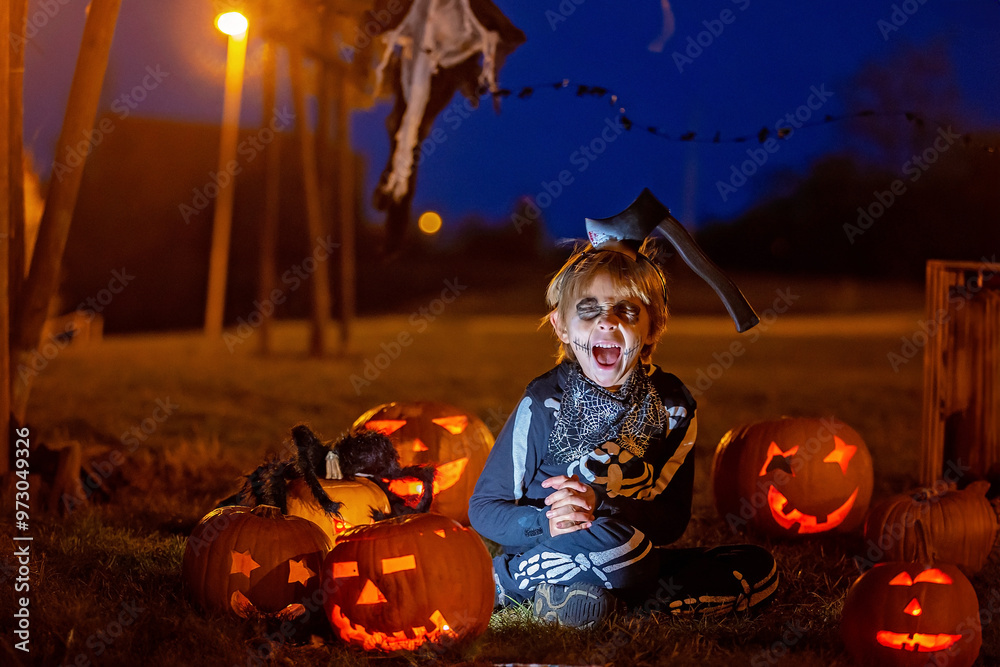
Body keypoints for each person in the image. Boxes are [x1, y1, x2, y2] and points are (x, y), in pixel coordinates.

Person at [468, 237, 778, 628]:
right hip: (549, 540)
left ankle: (582, 599)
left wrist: (599, 501)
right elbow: (483, 508)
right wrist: (548, 522)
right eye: (588, 309)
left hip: (625, 542)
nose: (607, 320)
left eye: (627, 310)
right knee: (630, 554)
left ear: (653, 327)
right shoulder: (545, 401)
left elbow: (670, 521)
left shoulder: (672, 406)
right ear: (561, 326)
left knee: (755, 567)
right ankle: (504, 582)